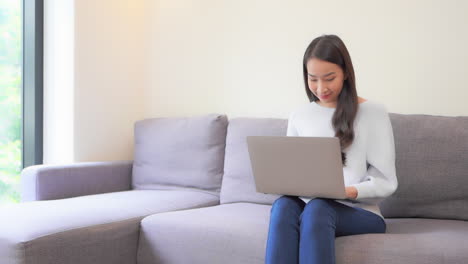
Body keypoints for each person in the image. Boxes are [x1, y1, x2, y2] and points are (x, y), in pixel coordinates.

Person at [264, 34, 398, 264]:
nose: (320, 87)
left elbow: (386, 182)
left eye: (329, 78)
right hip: (311, 204)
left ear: (346, 73)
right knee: (283, 206)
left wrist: (346, 191)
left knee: (318, 208)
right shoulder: (299, 115)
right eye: (313, 79)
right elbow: (293, 172)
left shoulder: (373, 113)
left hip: (360, 212)